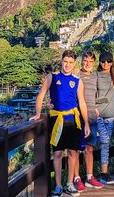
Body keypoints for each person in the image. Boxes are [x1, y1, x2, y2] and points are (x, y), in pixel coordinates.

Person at [30, 50, 91, 197]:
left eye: (71, 62)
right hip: (57, 120)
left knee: (73, 152)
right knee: (57, 153)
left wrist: (87, 123)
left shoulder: (77, 81)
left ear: (74, 63)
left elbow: (82, 103)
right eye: (65, 61)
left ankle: (69, 184)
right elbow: (41, 95)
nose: (67, 65)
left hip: (73, 120)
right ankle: (58, 186)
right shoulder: (53, 77)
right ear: (61, 61)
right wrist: (38, 113)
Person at [76, 50, 103, 190]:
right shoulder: (76, 75)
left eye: (90, 61)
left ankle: (89, 177)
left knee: (89, 149)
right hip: (76, 118)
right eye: (85, 60)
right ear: (82, 61)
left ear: (94, 63)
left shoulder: (96, 76)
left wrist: (98, 107)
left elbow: (106, 87)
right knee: (74, 150)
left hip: (92, 117)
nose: (87, 63)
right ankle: (76, 178)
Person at [95, 50, 114, 185]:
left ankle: (104, 173)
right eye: (103, 61)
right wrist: (95, 106)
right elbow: (90, 93)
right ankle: (99, 173)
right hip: (98, 115)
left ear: (112, 62)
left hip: (111, 115)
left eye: (109, 61)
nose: (106, 63)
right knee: (104, 140)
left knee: (105, 144)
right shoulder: (95, 75)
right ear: (99, 62)